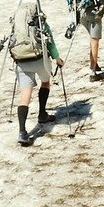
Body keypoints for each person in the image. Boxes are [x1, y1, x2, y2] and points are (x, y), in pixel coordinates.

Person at [15, 15, 64, 146]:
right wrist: (57, 58)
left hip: (21, 62)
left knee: (25, 96)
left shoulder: (17, 25)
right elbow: (50, 42)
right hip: (39, 60)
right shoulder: (40, 22)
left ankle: (22, 132)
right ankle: (42, 114)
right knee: (46, 82)